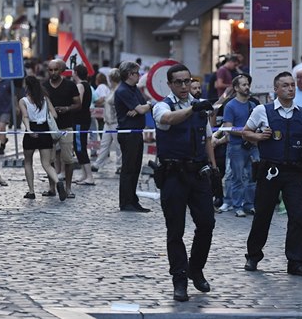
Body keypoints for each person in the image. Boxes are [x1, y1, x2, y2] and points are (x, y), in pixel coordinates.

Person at [152, 63, 217, 302]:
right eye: (178, 82)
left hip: (198, 173)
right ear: (169, 84)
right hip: (173, 175)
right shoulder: (161, 106)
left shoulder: (199, 108)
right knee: (175, 230)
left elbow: (207, 138)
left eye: (186, 81)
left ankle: (195, 268)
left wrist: (214, 167)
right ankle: (179, 278)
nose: (183, 86)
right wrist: (192, 109)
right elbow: (168, 119)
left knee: (207, 224)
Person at [242, 71, 302, 277]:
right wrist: (258, 136)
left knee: (298, 216)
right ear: (276, 89)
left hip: (294, 170)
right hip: (270, 170)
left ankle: (296, 262)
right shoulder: (262, 111)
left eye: (292, 85)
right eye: (285, 85)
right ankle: (253, 255)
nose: (290, 89)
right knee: (263, 214)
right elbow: (245, 132)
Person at [19, 76, 67, 201]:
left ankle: (31, 191)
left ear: (27, 87)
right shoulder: (45, 99)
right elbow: (55, 115)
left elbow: (25, 116)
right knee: (46, 163)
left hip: (32, 130)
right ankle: (58, 182)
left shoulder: (23, 101)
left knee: (28, 162)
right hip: (45, 131)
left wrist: (29, 130)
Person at [114, 61, 152, 212]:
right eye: (137, 73)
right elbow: (143, 108)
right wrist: (144, 107)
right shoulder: (123, 90)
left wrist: (141, 108)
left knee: (135, 168)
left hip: (136, 133)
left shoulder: (133, 89)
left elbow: (142, 106)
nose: (140, 75)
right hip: (128, 133)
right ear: (130, 74)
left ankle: (132, 199)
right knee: (128, 168)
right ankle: (125, 202)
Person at [42, 59, 81, 199]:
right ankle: (52, 188)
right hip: (49, 128)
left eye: (55, 70)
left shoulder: (70, 85)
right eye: (50, 70)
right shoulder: (44, 86)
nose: (53, 73)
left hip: (66, 126)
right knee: (49, 159)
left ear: (61, 70)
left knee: (68, 159)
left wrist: (67, 108)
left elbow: (78, 104)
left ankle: (68, 188)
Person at [222, 74, 259, 217]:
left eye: (248, 84)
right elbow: (229, 128)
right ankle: (237, 206)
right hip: (237, 146)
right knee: (237, 177)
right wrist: (247, 133)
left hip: (252, 146)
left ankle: (250, 204)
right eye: (243, 85)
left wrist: (253, 135)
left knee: (252, 177)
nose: (247, 87)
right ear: (236, 88)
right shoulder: (230, 106)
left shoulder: (253, 105)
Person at [91, 68, 122, 172]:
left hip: (115, 122)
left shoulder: (118, 90)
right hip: (108, 121)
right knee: (104, 143)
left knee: (118, 146)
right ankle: (98, 164)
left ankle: (120, 165)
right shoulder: (112, 89)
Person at [72, 65, 95, 186]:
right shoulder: (87, 85)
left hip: (80, 119)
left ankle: (89, 176)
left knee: (80, 147)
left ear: (75, 72)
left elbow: (78, 103)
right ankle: (84, 174)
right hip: (84, 118)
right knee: (79, 146)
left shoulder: (80, 86)